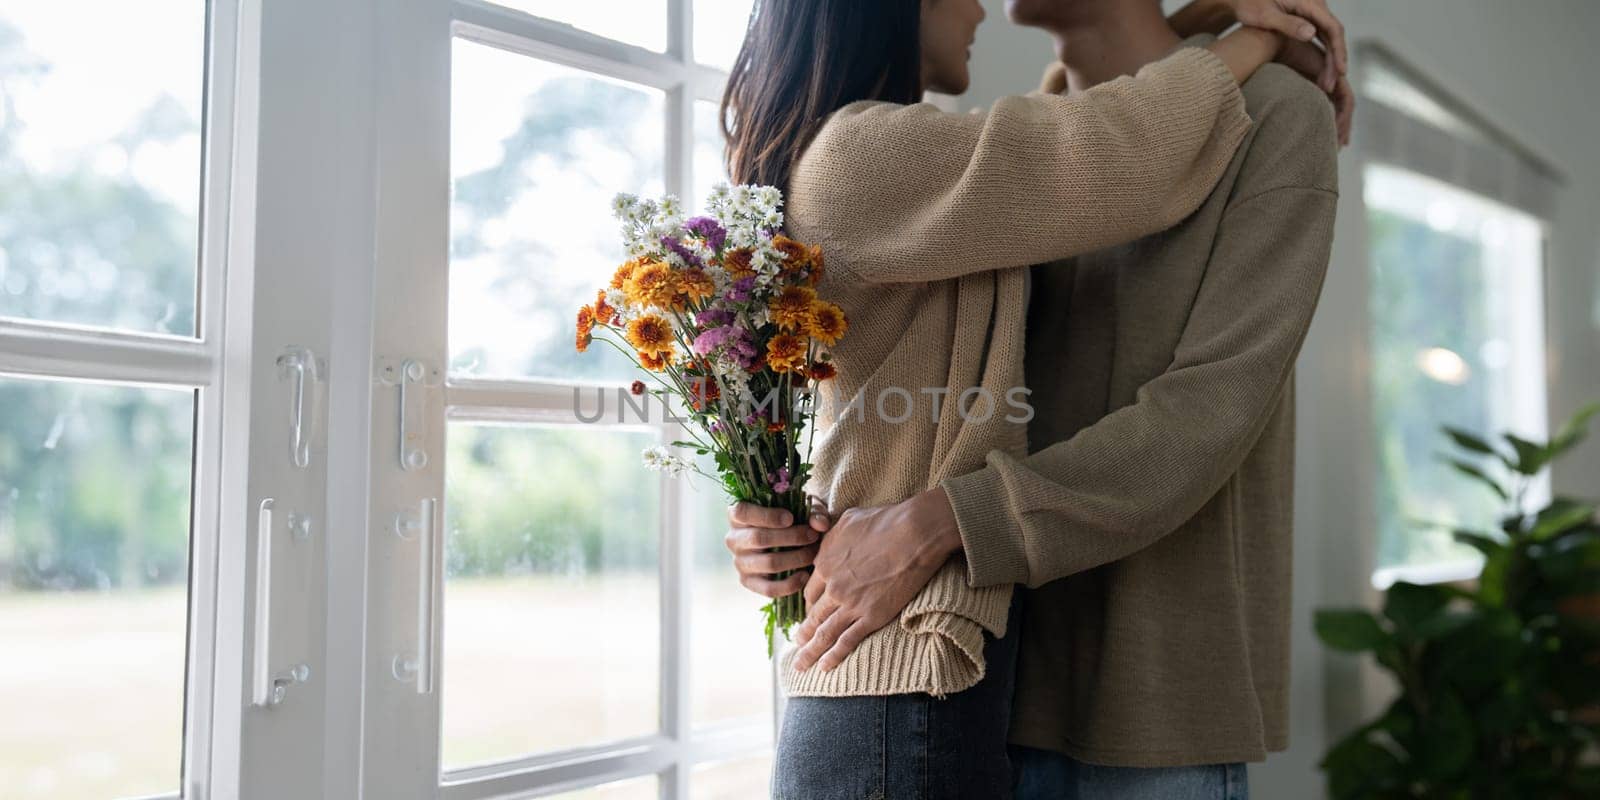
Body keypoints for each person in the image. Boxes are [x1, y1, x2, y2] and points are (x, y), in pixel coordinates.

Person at [718, 0, 1347, 796]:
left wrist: (923, 520)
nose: (977, 1)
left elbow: (1207, 414)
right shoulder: (1002, 145)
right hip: (968, 665)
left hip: (1143, 691)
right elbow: (888, 394)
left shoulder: (1276, 116)